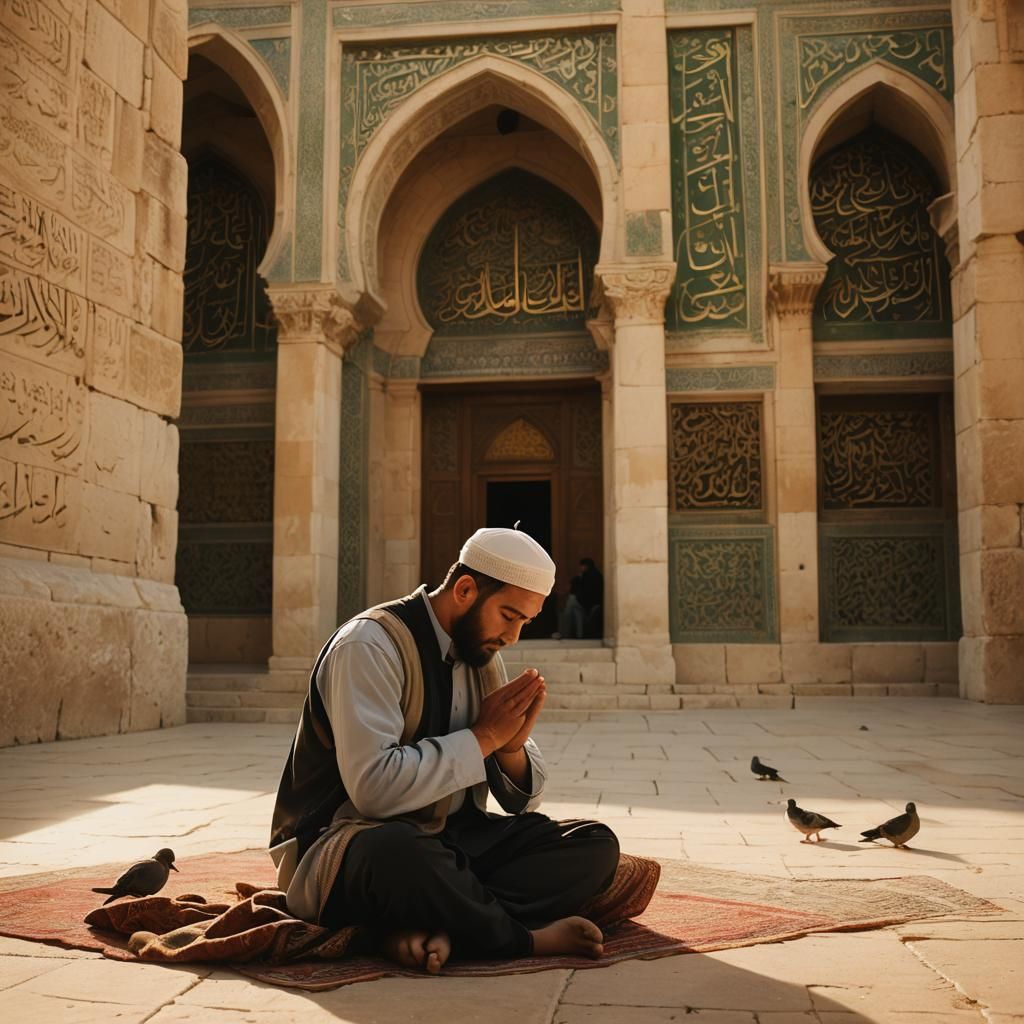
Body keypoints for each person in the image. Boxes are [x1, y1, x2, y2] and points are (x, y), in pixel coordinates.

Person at [269, 527, 620, 973]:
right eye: (509, 616)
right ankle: (520, 937)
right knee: (398, 852)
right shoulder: (370, 644)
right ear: (466, 589)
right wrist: (484, 738)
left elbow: (521, 803)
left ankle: (429, 922)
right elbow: (373, 790)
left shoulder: (482, 654)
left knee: (594, 844)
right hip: (349, 845)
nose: (512, 637)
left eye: (524, 623)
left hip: (449, 842)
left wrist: (509, 749)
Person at [555, 558, 604, 639]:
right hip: (589, 603)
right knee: (576, 611)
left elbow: (586, 591)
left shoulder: (588, 575)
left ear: (585, 566)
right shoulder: (596, 575)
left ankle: (564, 633)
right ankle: (579, 634)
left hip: (588, 603)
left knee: (570, 604)